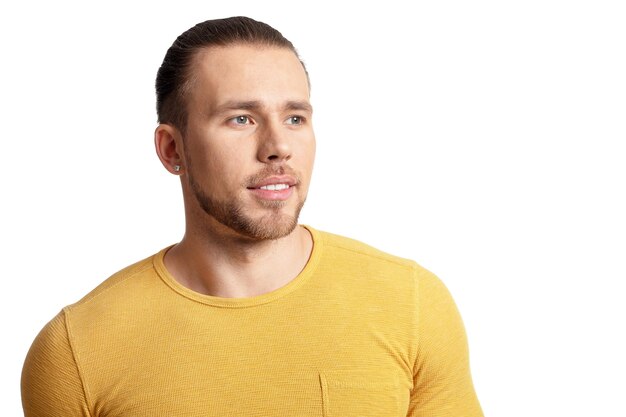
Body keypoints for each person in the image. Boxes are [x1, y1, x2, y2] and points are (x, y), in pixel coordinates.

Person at [21, 16, 483, 416]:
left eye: (295, 118)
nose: (278, 146)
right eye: (241, 118)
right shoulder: (76, 352)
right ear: (172, 148)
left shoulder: (411, 304)